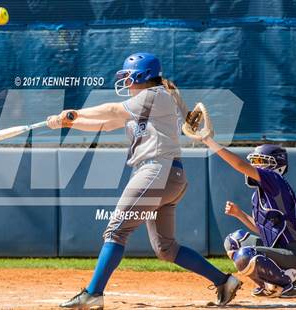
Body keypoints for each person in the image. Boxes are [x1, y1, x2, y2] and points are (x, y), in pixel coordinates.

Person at [47, 52, 242, 309]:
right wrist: (69, 122)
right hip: (169, 178)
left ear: (143, 75)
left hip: (156, 172)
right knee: (166, 248)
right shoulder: (145, 102)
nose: (125, 82)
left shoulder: (155, 95)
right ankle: (224, 281)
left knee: (116, 230)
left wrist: (73, 112)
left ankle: (93, 294)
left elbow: (111, 109)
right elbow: (107, 122)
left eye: (128, 76)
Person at [201, 138, 296, 298]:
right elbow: (261, 229)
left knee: (244, 256)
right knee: (233, 241)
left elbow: (239, 165)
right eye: (255, 161)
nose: (255, 166)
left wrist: (209, 142)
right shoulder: (258, 195)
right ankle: (269, 285)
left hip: (295, 257)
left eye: (261, 161)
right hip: (279, 252)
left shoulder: (275, 179)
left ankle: (290, 284)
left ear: (277, 166)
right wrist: (239, 214)